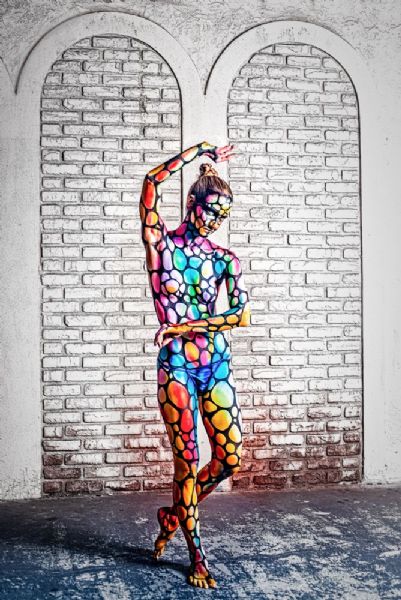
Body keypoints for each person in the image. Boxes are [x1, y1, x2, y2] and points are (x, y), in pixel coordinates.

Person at [139, 141, 251, 589]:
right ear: (191, 202)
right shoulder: (161, 245)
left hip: (215, 363)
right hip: (177, 370)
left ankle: (173, 514)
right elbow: (150, 183)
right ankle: (197, 557)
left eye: (223, 216)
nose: (215, 221)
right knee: (186, 460)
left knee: (230, 458)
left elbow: (240, 315)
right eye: (210, 211)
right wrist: (198, 152)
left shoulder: (225, 260)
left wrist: (185, 327)